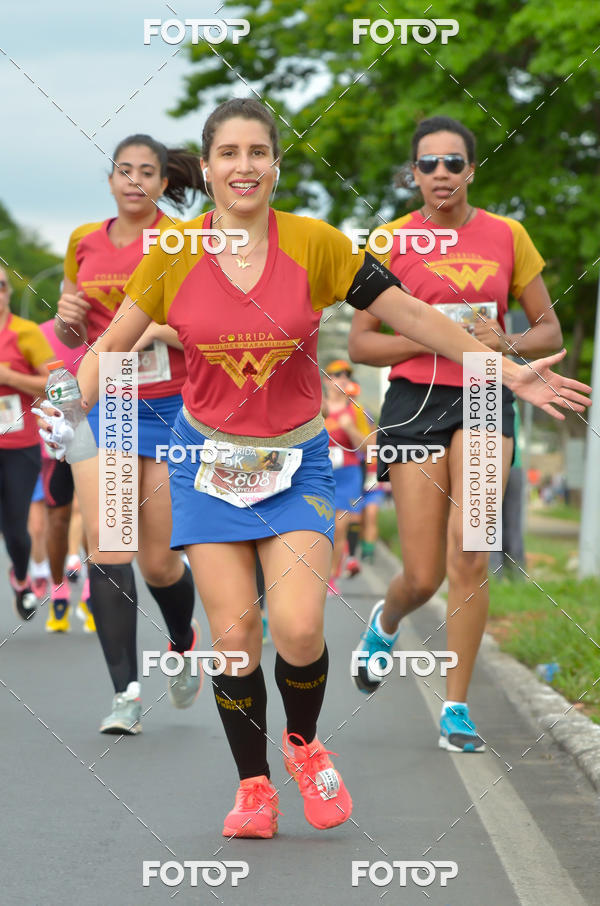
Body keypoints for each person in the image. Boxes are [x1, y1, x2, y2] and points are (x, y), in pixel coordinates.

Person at [45, 98, 589, 838]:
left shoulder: (319, 245)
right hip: (207, 466)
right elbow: (113, 350)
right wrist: (70, 407)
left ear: (276, 163)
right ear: (205, 169)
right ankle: (255, 787)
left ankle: (301, 743)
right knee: (234, 640)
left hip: (296, 463)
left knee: (298, 631)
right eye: (228, 154)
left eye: (257, 152)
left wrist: (505, 366)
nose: (244, 166)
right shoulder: (171, 255)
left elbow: (415, 318)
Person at [348, 115, 566, 752]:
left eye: (453, 162)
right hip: (415, 401)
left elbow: (548, 330)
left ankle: (457, 707)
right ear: (412, 175)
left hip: (486, 397)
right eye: (427, 164)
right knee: (422, 575)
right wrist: (424, 334)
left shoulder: (507, 235)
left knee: (472, 552)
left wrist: (509, 342)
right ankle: (386, 622)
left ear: (471, 169)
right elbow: (361, 342)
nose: (440, 173)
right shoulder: (389, 241)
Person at [49, 134, 204, 732]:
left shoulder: (183, 241)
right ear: (111, 180)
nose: (135, 181)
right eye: (124, 171)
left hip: (169, 406)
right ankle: (126, 694)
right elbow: (73, 337)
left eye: (148, 172)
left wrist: (148, 330)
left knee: (161, 562)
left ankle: (183, 641)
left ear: (166, 183)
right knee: (109, 549)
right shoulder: (82, 242)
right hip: (104, 405)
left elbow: (202, 329)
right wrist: (68, 325)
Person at [0, 268, 54, 618]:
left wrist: (8, 376)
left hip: (18, 445)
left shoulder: (25, 333)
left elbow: (53, 384)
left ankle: (21, 577)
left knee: (17, 531)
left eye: (1, 286)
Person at [323, 360, 370, 592]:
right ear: (326, 380)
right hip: (321, 473)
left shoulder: (355, 409)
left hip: (348, 473)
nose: (342, 379)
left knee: (339, 526)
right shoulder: (317, 408)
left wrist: (349, 427)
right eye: (336, 375)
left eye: (346, 376)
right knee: (320, 527)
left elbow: (367, 446)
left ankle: (332, 578)